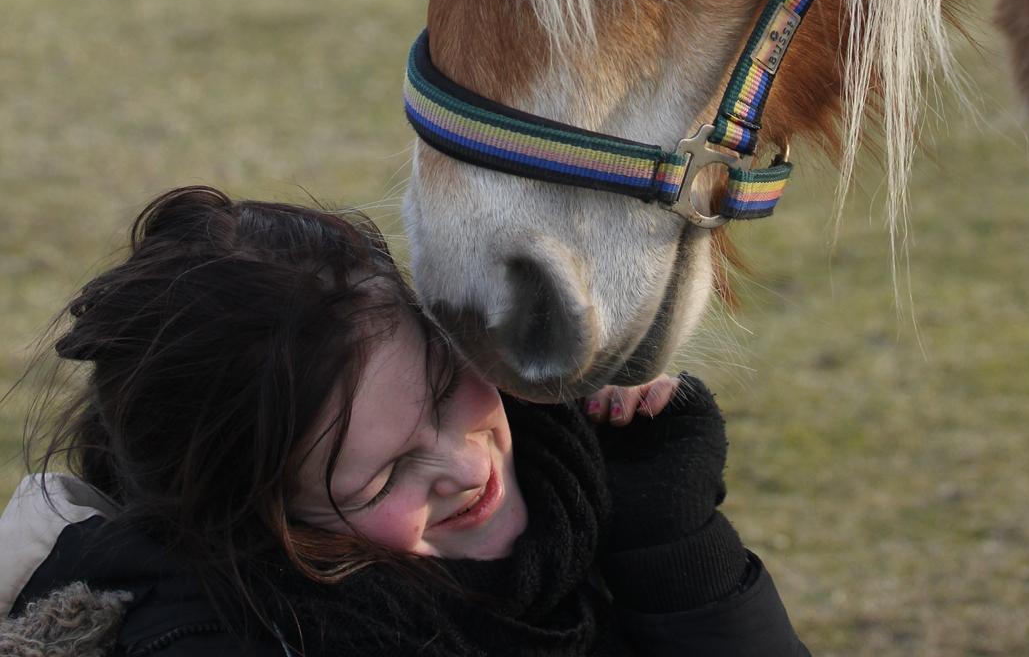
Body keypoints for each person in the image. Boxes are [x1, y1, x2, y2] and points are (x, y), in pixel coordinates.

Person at [0, 187, 810, 655]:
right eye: (386, 475)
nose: (462, 467)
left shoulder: (590, 487)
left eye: (443, 394)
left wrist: (673, 545)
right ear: (260, 519)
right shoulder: (211, 639)